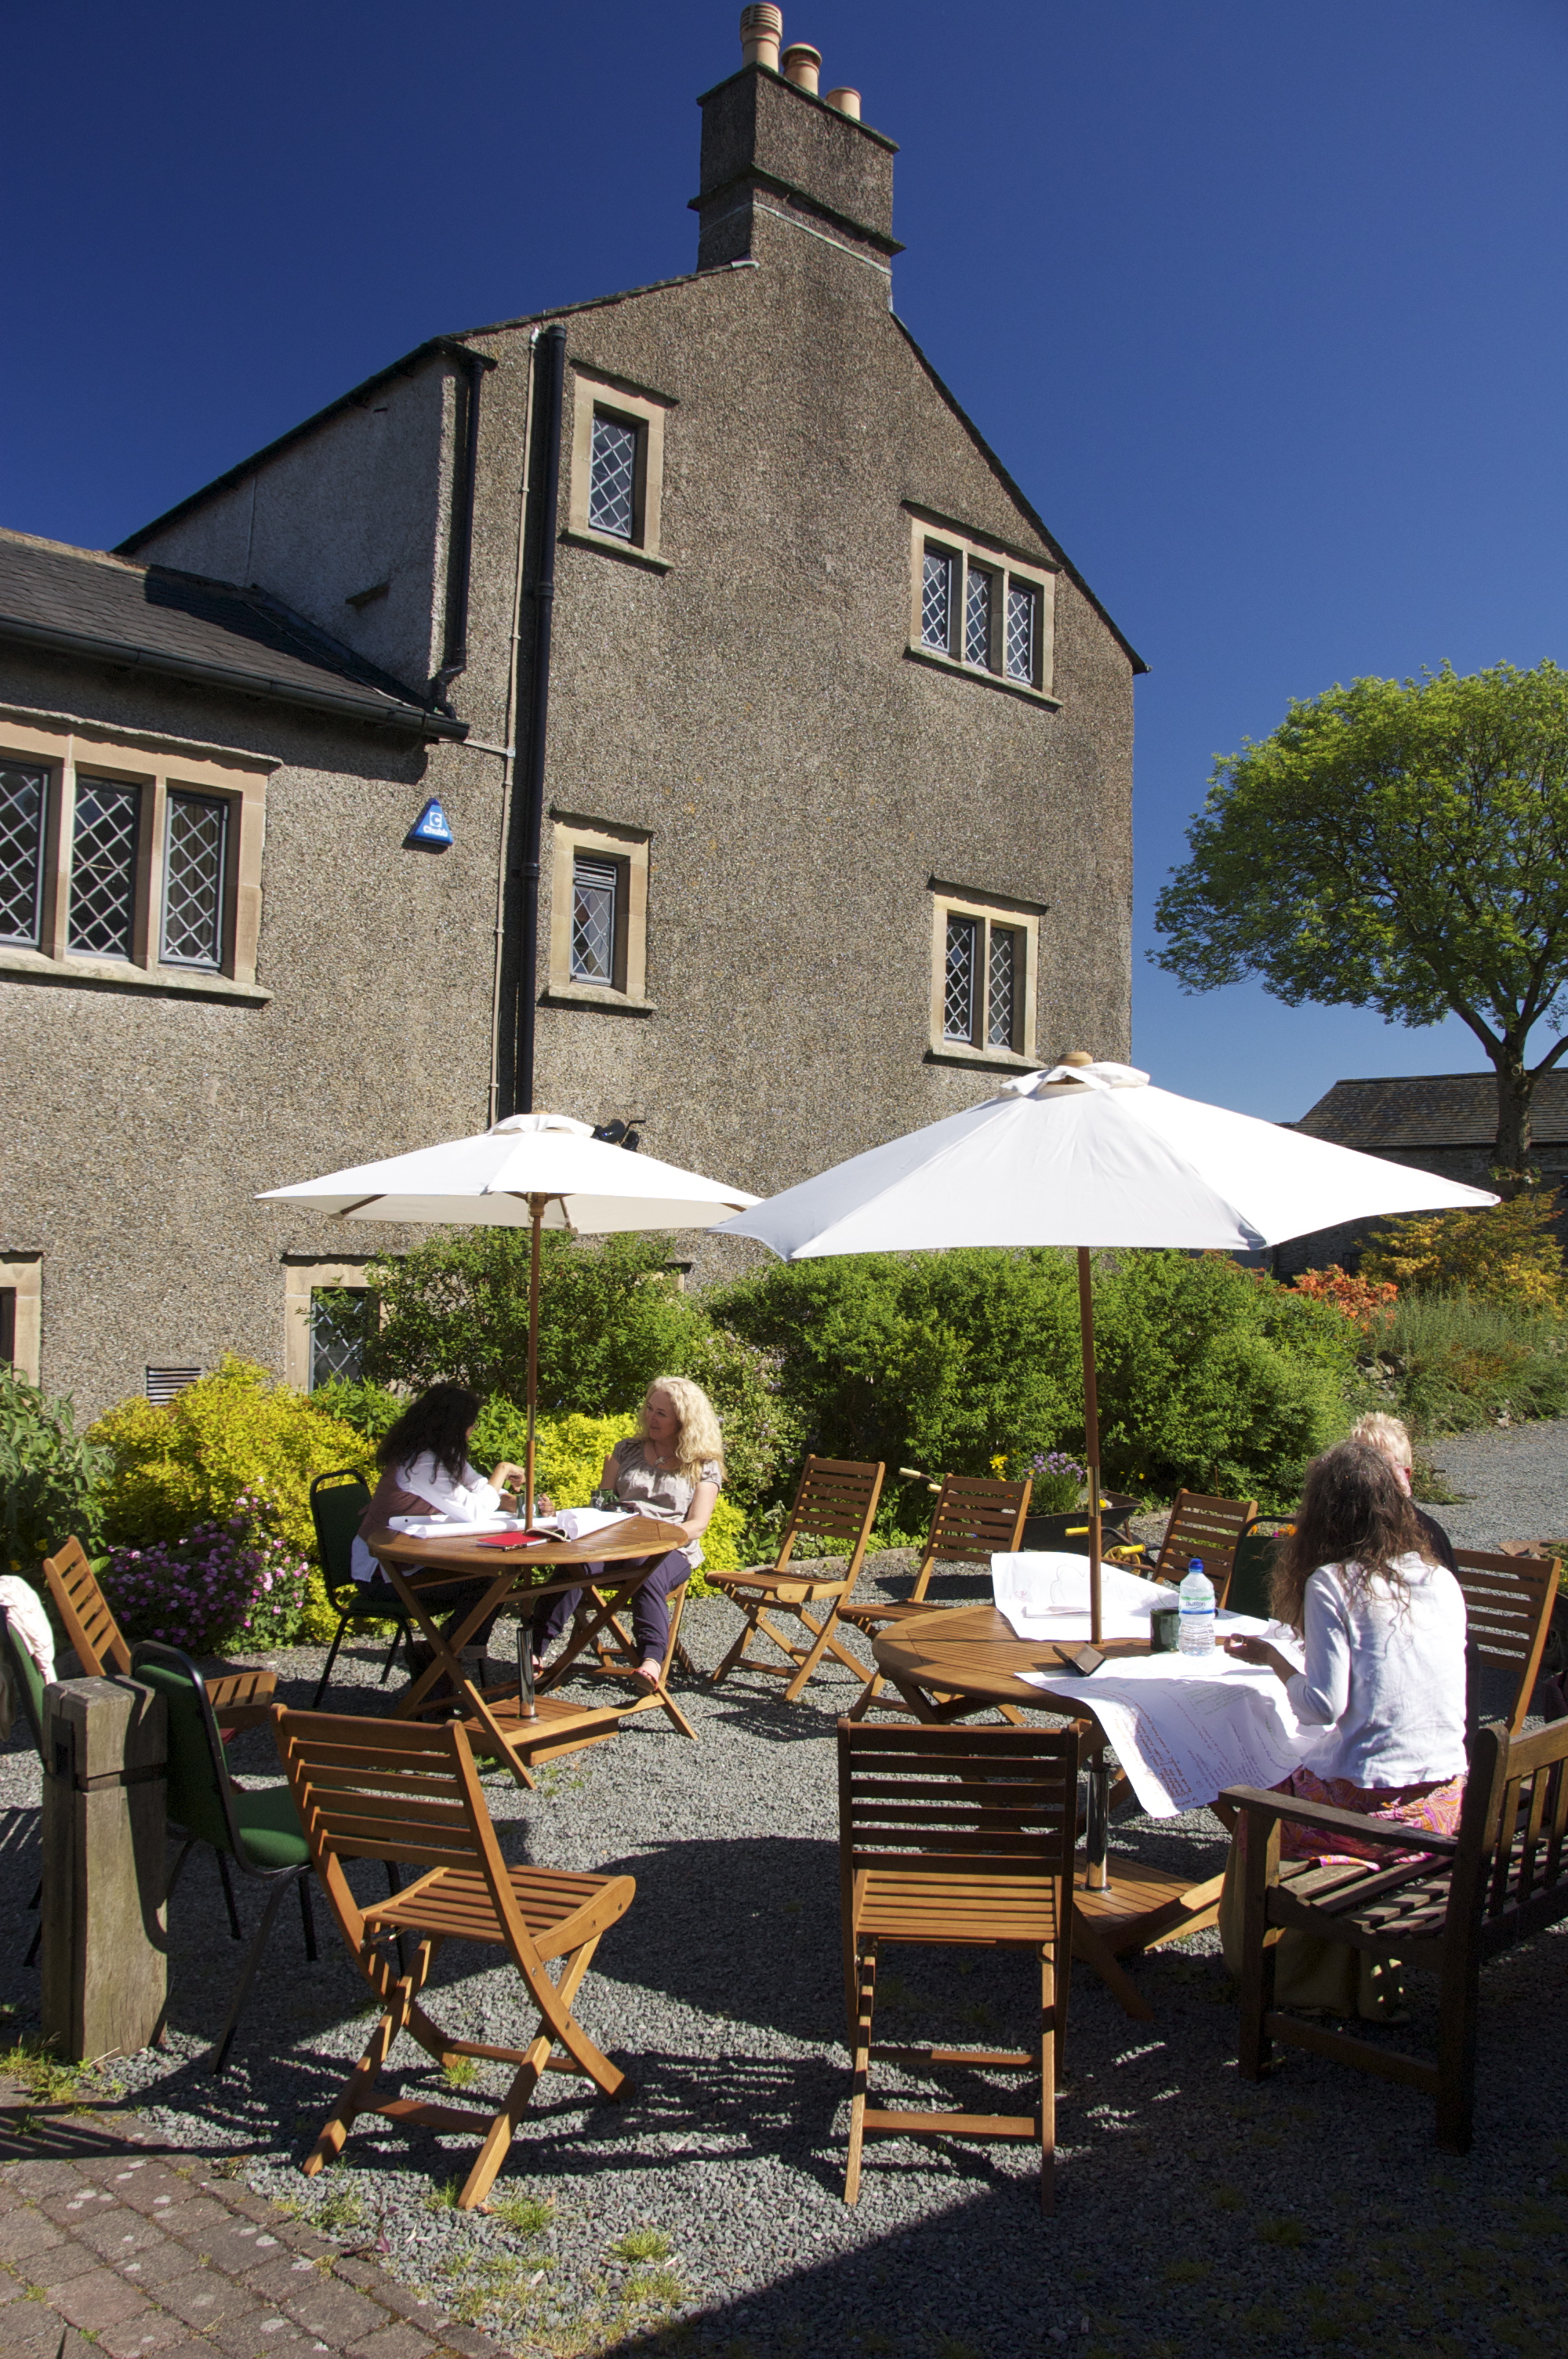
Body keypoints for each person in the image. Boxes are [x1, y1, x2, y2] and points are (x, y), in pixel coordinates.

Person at [1221, 1438, 1468, 2018]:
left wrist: (1278, 1664)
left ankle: (1283, 1979)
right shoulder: (1438, 1579)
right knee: (1299, 1772)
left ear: (1322, 1513)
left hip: (1379, 1817)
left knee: (1257, 1800)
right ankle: (1342, 1979)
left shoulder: (1333, 1581)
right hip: (1447, 1805)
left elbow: (1321, 1708)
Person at [535, 1376, 723, 1691]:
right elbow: (602, 1504)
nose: (651, 1417)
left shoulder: (703, 1464)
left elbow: (697, 1525)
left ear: (684, 1419)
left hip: (670, 1547)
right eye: (650, 1408)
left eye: (662, 1413)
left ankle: (650, 1660)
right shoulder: (627, 1450)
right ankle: (534, 1651)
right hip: (615, 1541)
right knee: (572, 1564)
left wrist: (657, 1538)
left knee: (647, 1570)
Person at [352, 1384, 530, 1677]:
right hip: (383, 1574)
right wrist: (501, 1471)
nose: (472, 1432)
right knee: (489, 1583)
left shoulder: (436, 1456)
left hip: (409, 1562)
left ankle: (445, 1656)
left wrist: (513, 1502)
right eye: (471, 1425)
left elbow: (475, 1487)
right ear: (454, 1427)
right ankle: (445, 1658)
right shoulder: (420, 1464)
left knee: (491, 1580)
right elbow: (473, 1511)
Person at [1347, 1410, 1458, 1573]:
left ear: (1404, 1475)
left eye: (1378, 1468)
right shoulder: (1337, 1523)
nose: (1365, 1477)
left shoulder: (1427, 1533)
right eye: (1356, 1466)